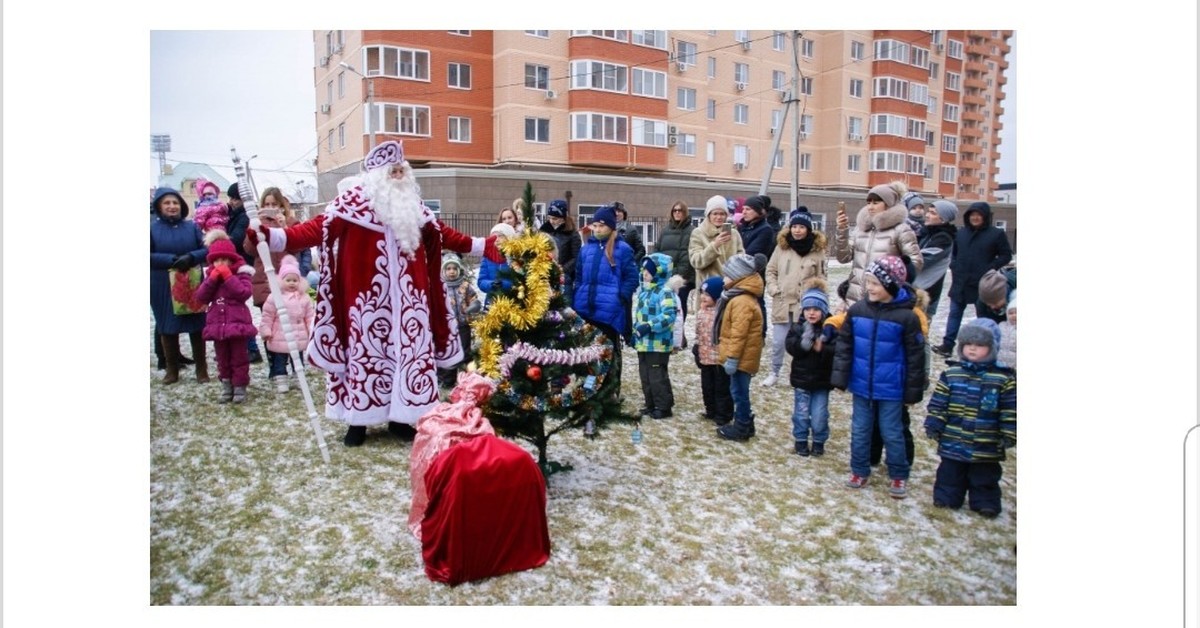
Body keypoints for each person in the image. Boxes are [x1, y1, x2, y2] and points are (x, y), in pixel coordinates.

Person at [251, 140, 502, 447]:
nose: (398, 175)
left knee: (406, 358)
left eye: (402, 170)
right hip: (367, 304)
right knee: (365, 359)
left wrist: (481, 246)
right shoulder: (350, 205)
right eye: (392, 170)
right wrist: (274, 236)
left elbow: (444, 233)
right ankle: (358, 423)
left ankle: (401, 418)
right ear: (377, 175)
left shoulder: (414, 207)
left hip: (411, 304)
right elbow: (316, 229)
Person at [831, 255, 927, 498]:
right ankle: (859, 470)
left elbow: (916, 357)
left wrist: (913, 389)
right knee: (860, 429)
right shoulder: (858, 311)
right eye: (868, 283)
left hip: (892, 388)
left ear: (891, 285)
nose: (870, 288)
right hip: (862, 384)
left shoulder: (908, 317)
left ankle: (898, 474)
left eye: (875, 283)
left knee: (892, 431)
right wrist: (840, 377)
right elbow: (845, 345)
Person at [924, 320, 1017, 518]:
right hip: (953, 436)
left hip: (986, 440)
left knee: (985, 475)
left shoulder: (1003, 378)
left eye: (980, 345)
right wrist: (935, 422)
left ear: (992, 348)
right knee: (950, 472)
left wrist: (1010, 431)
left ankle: (985, 502)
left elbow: (1009, 409)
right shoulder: (951, 374)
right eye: (968, 344)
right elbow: (939, 402)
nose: (973, 349)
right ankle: (946, 497)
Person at [933, 201, 1013, 356]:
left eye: (979, 215)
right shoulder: (961, 233)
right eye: (972, 214)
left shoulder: (996, 234)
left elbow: (1006, 255)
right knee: (954, 313)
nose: (975, 218)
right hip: (960, 281)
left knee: (982, 316)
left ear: (985, 217)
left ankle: (986, 347)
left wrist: (991, 267)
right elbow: (954, 252)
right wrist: (954, 265)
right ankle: (947, 345)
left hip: (982, 283)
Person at [149, 187, 209, 385]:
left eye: (175, 203)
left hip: (191, 280)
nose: (172, 206)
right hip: (162, 283)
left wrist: (191, 257)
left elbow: (206, 250)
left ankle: (202, 370)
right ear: (159, 206)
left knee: (196, 326)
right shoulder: (151, 228)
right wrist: (171, 259)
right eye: (167, 203)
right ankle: (171, 369)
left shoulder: (191, 227)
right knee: (168, 327)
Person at [762, 207, 827, 387]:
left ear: (808, 228)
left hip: (805, 305)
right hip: (783, 301)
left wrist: (815, 295)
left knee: (802, 340)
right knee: (778, 342)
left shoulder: (817, 251)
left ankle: (796, 372)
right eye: (794, 226)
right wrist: (774, 289)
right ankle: (774, 372)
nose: (797, 230)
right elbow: (771, 270)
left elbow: (822, 276)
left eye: (801, 227)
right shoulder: (782, 248)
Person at [833, 181, 924, 307]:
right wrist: (842, 231)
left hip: (884, 301)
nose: (870, 207)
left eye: (876, 203)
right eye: (869, 202)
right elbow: (843, 257)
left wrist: (890, 283)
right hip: (855, 299)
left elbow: (915, 263)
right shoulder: (861, 229)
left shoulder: (901, 230)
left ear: (888, 204)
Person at [194, 230, 258, 403]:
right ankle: (226, 385)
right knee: (222, 358)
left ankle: (240, 386)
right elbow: (201, 296)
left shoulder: (241, 274)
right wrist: (212, 279)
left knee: (239, 357)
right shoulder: (210, 277)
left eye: (224, 259)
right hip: (218, 325)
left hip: (237, 323)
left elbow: (243, 293)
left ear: (231, 260)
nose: (220, 263)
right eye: (216, 260)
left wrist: (228, 277)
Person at [714, 253, 765, 442]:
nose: (724, 279)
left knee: (739, 393)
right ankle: (746, 423)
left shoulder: (741, 301)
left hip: (742, 358)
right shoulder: (738, 297)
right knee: (740, 391)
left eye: (727, 275)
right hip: (742, 356)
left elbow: (739, 334)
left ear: (738, 277)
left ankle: (742, 426)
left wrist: (732, 358)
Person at [573, 205, 639, 348]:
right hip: (585, 307)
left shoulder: (622, 249)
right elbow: (578, 276)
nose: (597, 229)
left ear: (611, 227)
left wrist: (621, 297)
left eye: (601, 226)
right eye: (595, 225)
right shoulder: (585, 250)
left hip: (609, 310)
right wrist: (578, 293)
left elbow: (632, 277)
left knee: (608, 351)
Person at [784, 279, 835, 457]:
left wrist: (824, 349)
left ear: (824, 310)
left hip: (822, 381)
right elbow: (790, 346)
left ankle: (819, 440)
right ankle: (800, 440)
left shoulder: (830, 329)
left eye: (816, 309)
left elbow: (838, 350)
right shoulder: (798, 328)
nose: (811, 313)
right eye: (807, 309)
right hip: (802, 380)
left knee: (820, 415)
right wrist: (803, 345)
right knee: (801, 414)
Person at [631, 253, 680, 420]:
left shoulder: (665, 292)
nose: (645, 274)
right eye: (644, 270)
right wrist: (635, 333)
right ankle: (650, 403)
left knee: (657, 375)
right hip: (644, 343)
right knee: (645, 375)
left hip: (658, 343)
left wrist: (649, 326)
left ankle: (663, 406)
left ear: (659, 273)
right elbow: (639, 316)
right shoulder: (645, 291)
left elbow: (668, 316)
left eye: (649, 271)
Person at [258, 255, 316, 394]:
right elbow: (267, 316)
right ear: (281, 280)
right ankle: (281, 379)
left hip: (298, 335)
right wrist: (266, 330)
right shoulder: (274, 297)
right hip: (279, 336)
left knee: (298, 360)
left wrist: (312, 329)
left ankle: (299, 378)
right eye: (288, 280)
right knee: (279, 360)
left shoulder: (304, 297)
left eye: (295, 280)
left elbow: (309, 315)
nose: (292, 283)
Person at [654, 200, 696, 349]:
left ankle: (679, 337)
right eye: (675, 210)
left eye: (680, 210)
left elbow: (687, 257)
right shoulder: (665, 231)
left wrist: (678, 277)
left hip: (682, 278)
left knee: (679, 307)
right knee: (665, 307)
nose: (677, 213)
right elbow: (657, 251)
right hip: (665, 276)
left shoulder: (692, 231)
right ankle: (668, 336)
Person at [438, 252, 482, 388]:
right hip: (446, 328)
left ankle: (470, 380)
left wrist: (471, 308)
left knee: (465, 352)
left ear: (459, 270)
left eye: (454, 269)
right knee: (448, 353)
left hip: (463, 325)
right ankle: (447, 382)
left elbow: (475, 302)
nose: (451, 272)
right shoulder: (440, 287)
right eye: (448, 269)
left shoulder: (465, 286)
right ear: (444, 270)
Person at [694, 276, 733, 425]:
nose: (703, 297)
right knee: (707, 386)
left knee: (721, 387)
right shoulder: (701, 312)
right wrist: (696, 347)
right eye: (702, 294)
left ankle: (723, 414)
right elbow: (698, 331)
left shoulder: (722, 313)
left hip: (719, 359)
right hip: (705, 356)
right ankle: (710, 409)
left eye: (707, 294)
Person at [912, 200, 958, 317]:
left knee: (919, 328)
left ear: (943, 219)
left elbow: (920, 260)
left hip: (927, 291)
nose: (927, 215)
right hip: (916, 287)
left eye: (933, 213)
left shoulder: (944, 238)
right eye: (928, 211)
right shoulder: (927, 232)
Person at [689, 195, 745, 290]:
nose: (719, 217)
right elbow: (696, 261)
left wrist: (733, 277)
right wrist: (714, 246)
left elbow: (742, 259)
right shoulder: (698, 233)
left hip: (731, 287)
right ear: (708, 215)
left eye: (722, 214)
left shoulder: (734, 234)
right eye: (715, 214)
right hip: (708, 289)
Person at [538, 199, 580, 306]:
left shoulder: (572, 234)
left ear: (563, 218)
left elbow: (576, 257)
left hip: (564, 279)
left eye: (555, 218)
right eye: (550, 218)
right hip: (545, 277)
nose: (552, 221)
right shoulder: (543, 231)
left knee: (564, 309)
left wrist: (562, 269)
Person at [478, 223, 516, 305]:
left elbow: (519, 281)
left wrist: (503, 284)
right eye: (494, 237)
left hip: (512, 302)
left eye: (500, 236)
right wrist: (491, 284)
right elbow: (481, 281)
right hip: (492, 302)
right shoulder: (487, 257)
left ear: (509, 237)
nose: (496, 239)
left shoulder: (515, 257)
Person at [997, 297, 1017, 370]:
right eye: (1011, 313)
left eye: (1017, 312)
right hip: (1001, 363)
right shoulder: (1001, 326)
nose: (1014, 315)